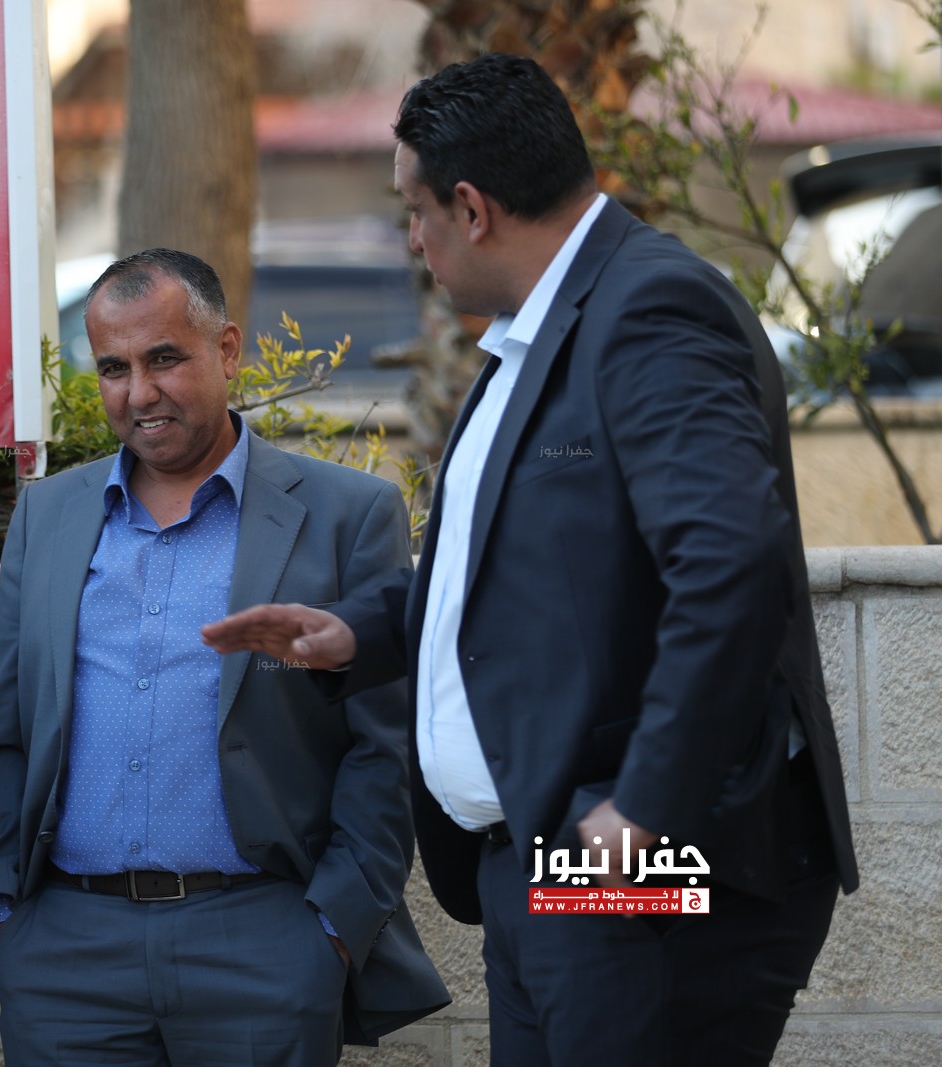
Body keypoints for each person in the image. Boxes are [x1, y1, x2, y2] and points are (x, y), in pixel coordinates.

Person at [203, 54, 859, 1066]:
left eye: (412, 210)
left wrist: (646, 807)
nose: (410, 238)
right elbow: (525, 570)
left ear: (470, 208)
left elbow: (732, 568)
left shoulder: (652, 309)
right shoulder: (534, 329)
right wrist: (360, 631)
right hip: (543, 864)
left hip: (641, 867)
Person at [0, 248, 448, 1066]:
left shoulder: (347, 514)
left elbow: (385, 747)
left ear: (226, 349)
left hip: (264, 944)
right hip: (66, 957)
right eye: (113, 368)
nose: (138, 393)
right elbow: (3, 731)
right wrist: (2, 912)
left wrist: (331, 927)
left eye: (164, 359)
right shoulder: (49, 516)